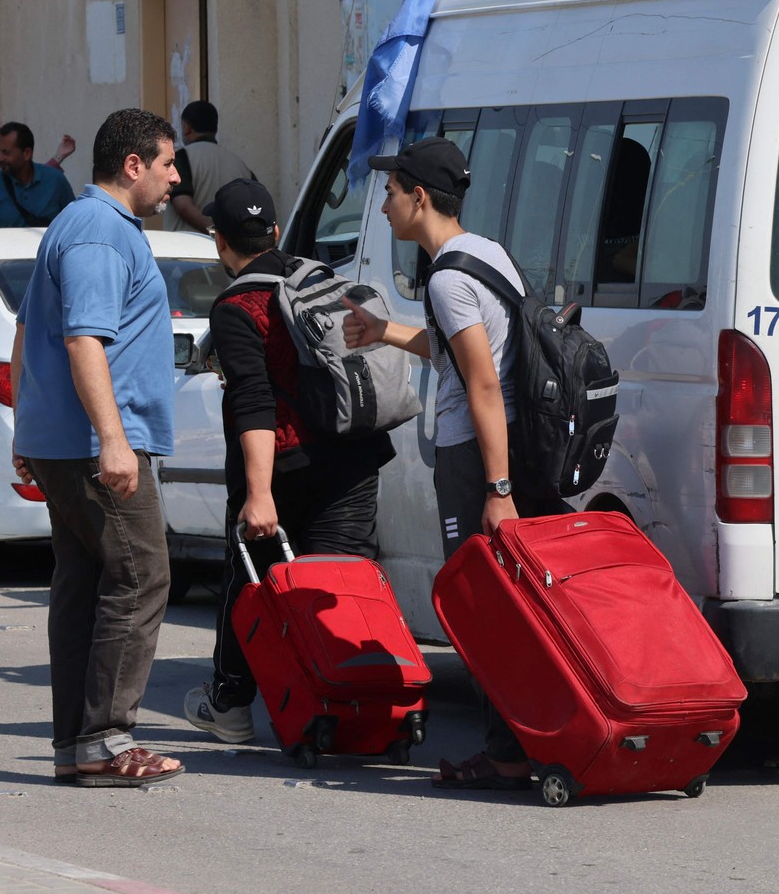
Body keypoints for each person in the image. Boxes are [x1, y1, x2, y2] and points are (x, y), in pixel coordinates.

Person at [342, 137, 566, 792]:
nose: (382, 205)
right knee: (506, 602)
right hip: (508, 444)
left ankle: (507, 751)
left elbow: (482, 383)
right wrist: (382, 331)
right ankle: (524, 738)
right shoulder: (483, 254)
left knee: (482, 606)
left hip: (476, 458)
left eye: (389, 192)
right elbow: (462, 354)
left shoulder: (446, 277)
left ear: (419, 196)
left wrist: (496, 489)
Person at [182, 177, 396, 744]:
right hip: (354, 456)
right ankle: (354, 703)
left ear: (220, 243)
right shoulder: (316, 278)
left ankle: (229, 703)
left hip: (286, 467)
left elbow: (252, 402)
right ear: (275, 231)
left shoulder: (237, 306)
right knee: (342, 586)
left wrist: (258, 494)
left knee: (250, 581)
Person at [10, 108, 184, 788]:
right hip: (97, 444)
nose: (176, 177)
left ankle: (79, 744)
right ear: (133, 165)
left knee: (86, 581)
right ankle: (108, 740)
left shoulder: (78, 227)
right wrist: (113, 439)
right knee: (141, 575)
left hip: (68, 439)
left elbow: (26, 335)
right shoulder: (100, 234)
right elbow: (83, 339)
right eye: (167, 163)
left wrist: (27, 425)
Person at [164, 100, 254, 233]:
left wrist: (215, 232)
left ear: (187, 127)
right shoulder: (240, 165)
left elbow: (183, 206)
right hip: (229, 251)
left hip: (186, 248)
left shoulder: (181, 158)